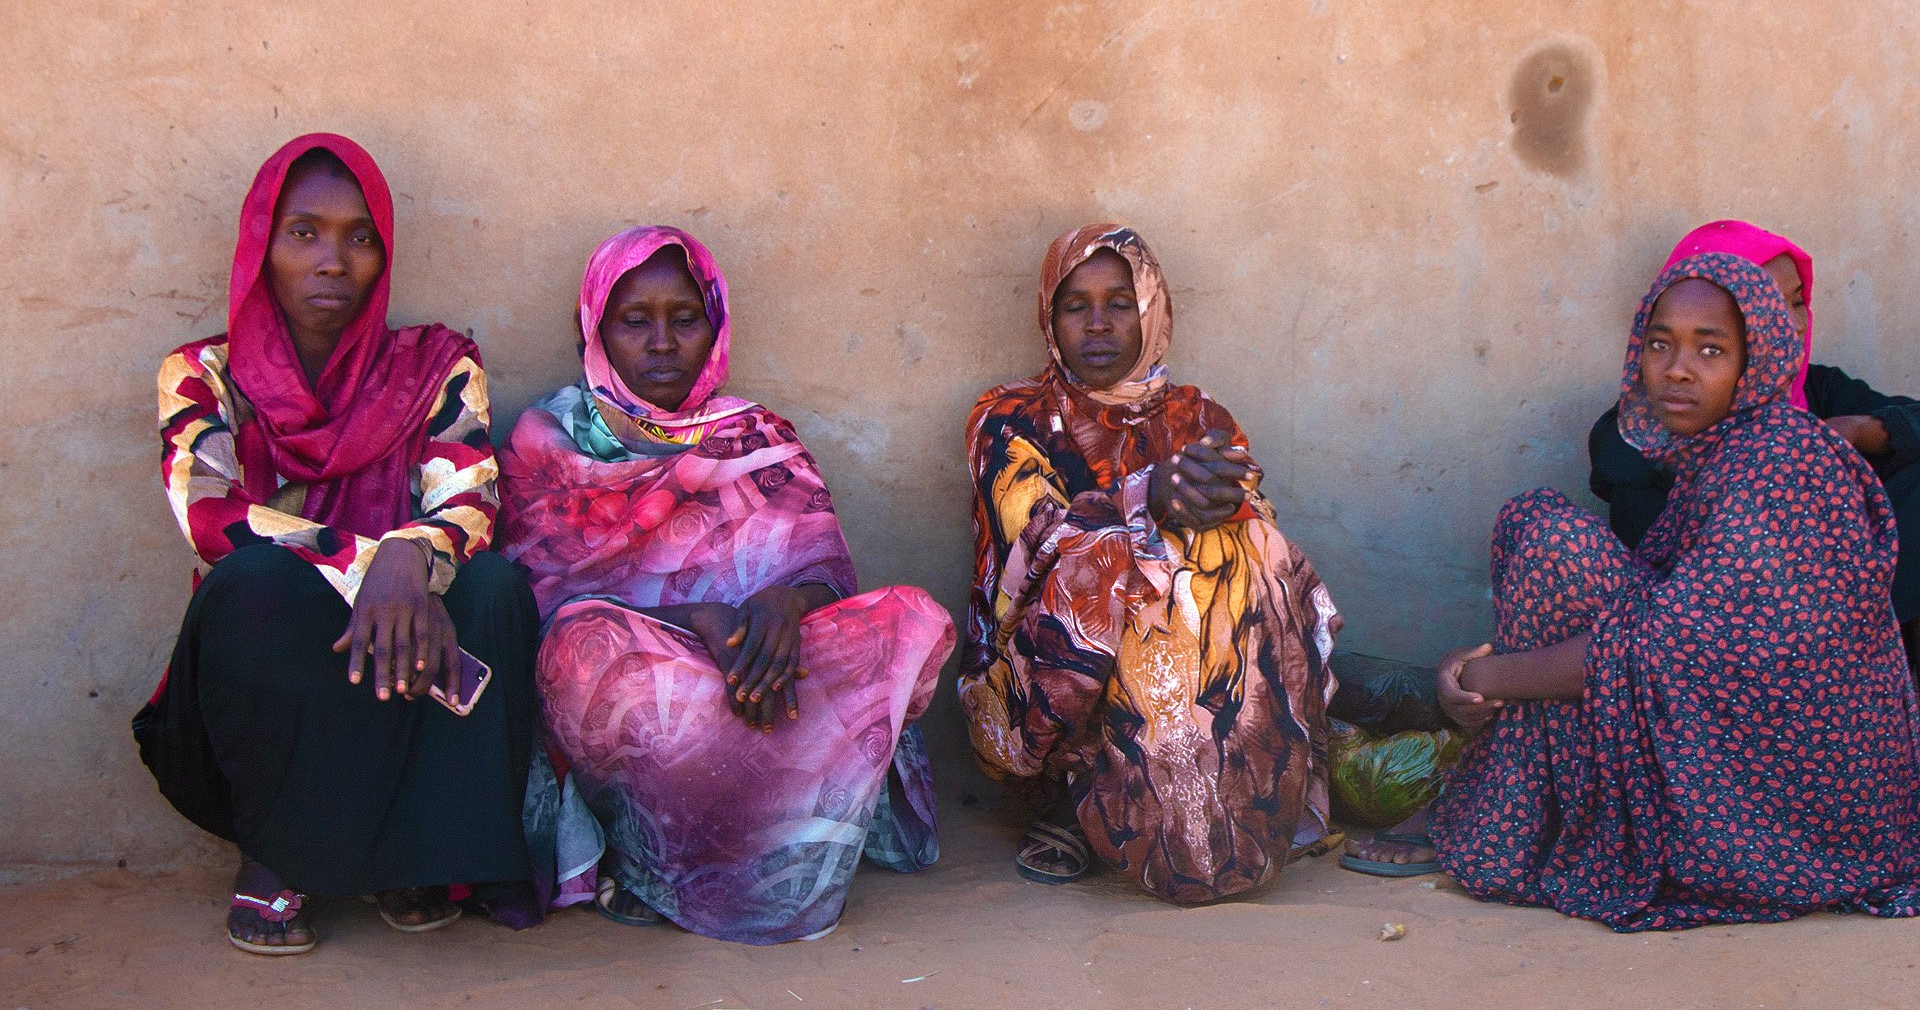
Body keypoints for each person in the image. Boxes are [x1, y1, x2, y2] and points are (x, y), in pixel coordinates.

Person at [1426, 251, 1920, 930]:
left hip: (1797, 804)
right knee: (1537, 526)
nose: (1677, 368)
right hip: (1741, 749)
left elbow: (1661, 648)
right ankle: (1517, 813)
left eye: (1710, 349)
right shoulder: (1725, 450)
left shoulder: (1784, 457)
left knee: (1552, 541)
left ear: (1758, 360)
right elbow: (1663, 622)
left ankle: (1508, 819)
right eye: (1660, 344)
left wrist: (1475, 675)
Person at [135, 134, 540, 955]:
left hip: (399, 690)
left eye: (360, 237)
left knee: (493, 587)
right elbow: (210, 514)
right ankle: (276, 855)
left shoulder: (437, 369)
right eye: (304, 233)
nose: (333, 260)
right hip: (259, 699)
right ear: (261, 246)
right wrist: (378, 564)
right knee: (253, 582)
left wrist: (413, 565)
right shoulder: (199, 377)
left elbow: (469, 500)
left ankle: (413, 855)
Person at [499, 225, 955, 945]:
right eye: (633, 322)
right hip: (654, 687)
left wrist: (784, 606)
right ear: (591, 330)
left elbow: (825, 577)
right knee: (579, 648)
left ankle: (753, 820)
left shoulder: (755, 435)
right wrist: (698, 620)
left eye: (684, 320)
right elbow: (540, 613)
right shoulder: (546, 445)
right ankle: (675, 848)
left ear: (713, 326)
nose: (660, 343)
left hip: (763, 671)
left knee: (911, 619)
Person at [958, 223, 1340, 903]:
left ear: (1151, 310)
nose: (1098, 325)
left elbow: (1258, 560)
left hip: (1179, 684)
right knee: (1098, 584)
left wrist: (1215, 516)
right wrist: (1149, 499)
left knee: (1251, 552)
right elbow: (1036, 547)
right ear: (1050, 317)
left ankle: (1221, 791)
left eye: (1119, 303)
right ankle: (1064, 801)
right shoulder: (1008, 418)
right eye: (1076, 306)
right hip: (1045, 682)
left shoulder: (1198, 417)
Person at [1590, 220, 1920, 666]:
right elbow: (1615, 460)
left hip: (1829, 619)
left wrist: (1853, 433)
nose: (1792, 321)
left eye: (1797, 302)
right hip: (1713, 635)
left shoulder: (1815, 391)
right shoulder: (1657, 414)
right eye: (1768, 302)